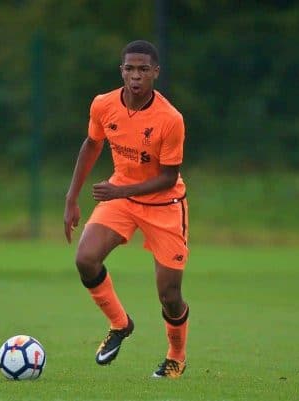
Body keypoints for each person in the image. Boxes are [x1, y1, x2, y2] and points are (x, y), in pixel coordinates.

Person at [63, 39, 190, 378]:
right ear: (121, 71)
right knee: (85, 259)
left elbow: (168, 177)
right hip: (122, 197)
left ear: (155, 73)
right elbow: (92, 144)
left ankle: (176, 355)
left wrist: (120, 189)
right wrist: (71, 198)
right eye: (130, 69)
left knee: (169, 295)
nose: (136, 76)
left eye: (143, 70)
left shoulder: (170, 119)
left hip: (165, 205)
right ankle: (120, 325)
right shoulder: (103, 105)